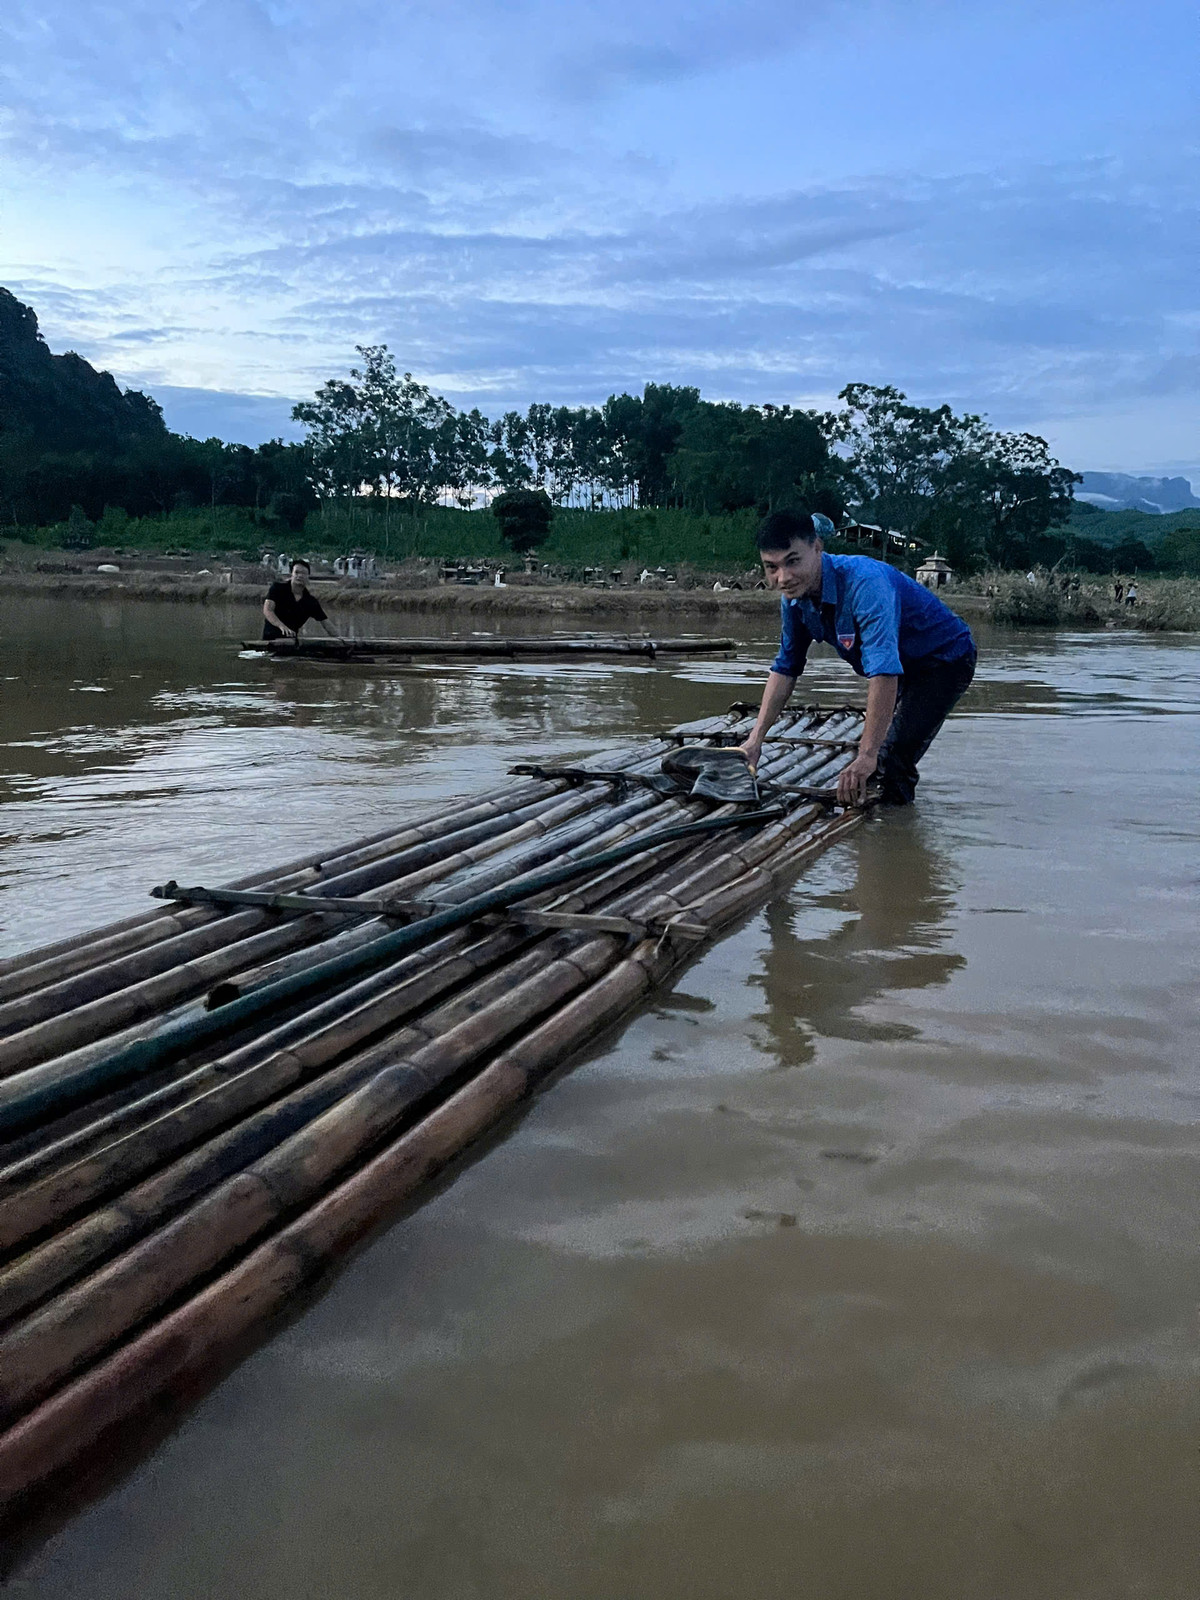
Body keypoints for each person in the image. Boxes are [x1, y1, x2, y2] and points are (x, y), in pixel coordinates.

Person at [738, 510, 976, 807]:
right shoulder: (795, 601)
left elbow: (884, 673)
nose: (782, 578)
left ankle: (892, 836)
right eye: (771, 567)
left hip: (944, 659)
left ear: (817, 548)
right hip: (902, 663)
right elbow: (786, 668)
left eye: (793, 561)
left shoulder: (865, 584)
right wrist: (755, 740)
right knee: (887, 741)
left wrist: (867, 755)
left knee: (891, 760)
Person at [262, 559, 338, 640]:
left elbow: (326, 623)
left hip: (291, 642)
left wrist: (341, 640)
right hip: (270, 640)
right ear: (292, 574)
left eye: (303, 573)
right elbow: (268, 610)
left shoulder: (310, 602)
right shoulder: (277, 589)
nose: (300, 576)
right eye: (297, 572)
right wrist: (282, 626)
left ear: (308, 576)